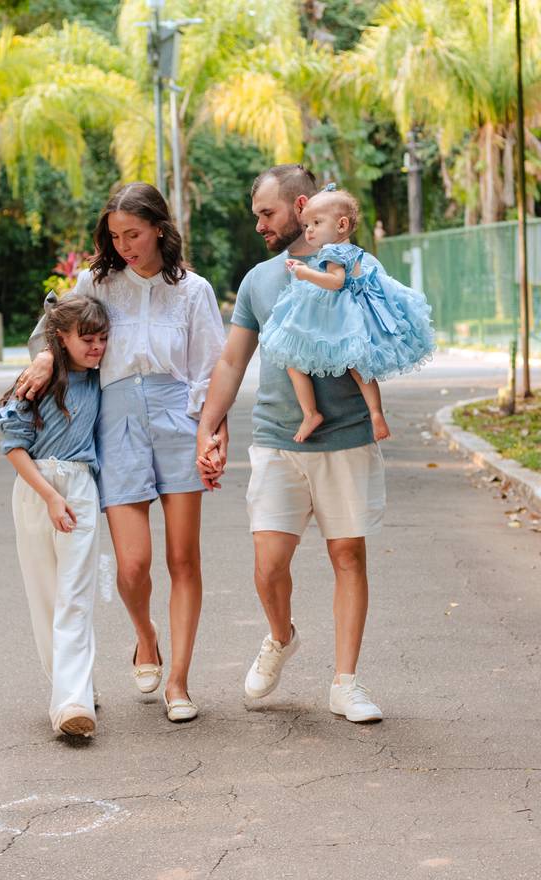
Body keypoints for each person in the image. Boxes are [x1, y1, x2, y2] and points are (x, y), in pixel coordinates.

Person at [15, 182, 226, 723]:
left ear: (159, 226)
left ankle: (178, 681)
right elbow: (49, 334)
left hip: (178, 419)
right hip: (116, 421)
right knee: (132, 566)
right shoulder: (97, 282)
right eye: (115, 235)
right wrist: (42, 360)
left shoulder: (195, 291)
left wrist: (211, 433)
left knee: (184, 560)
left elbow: (211, 369)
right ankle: (146, 637)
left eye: (133, 233)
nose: (125, 244)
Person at [197, 164, 386, 723]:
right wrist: (209, 426)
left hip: (347, 438)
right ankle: (281, 637)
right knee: (268, 565)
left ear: (301, 207)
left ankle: (345, 683)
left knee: (347, 555)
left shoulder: (353, 268)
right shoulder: (259, 280)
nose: (259, 224)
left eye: (266, 212)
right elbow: (233, 360)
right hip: (278, 440)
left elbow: (381, 336)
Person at [0, 295, 109, 738]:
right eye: (87, 339)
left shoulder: (102, 381)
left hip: (79, 486)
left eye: (102, 339)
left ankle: (72, 704)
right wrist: (49, 497)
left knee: (75, 595)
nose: (96, 347)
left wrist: (68, 498)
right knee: (44, 597)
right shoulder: (36, 382)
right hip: (35, 490)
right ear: (60, 338)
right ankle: (70, 684)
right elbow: (13, 447)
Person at [259, 184, 435, 442]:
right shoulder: (352, 249)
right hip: (351, 313)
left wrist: (304, 272)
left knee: (293, 359)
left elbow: (336, 281)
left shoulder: (332, 251)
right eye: (307, 225)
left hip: (333, 311)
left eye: (316, 223)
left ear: (341, 225)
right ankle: (376, 413)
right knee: (358, 367)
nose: (309, 230)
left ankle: (310, 413)